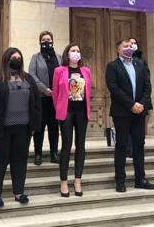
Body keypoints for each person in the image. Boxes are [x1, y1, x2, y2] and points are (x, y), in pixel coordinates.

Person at [0, 48, 42, 208]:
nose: (16, 60)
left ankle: (19, 192)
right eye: (13, 57)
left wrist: (34, 125)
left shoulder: (28, 78)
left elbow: (36, 103)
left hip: (23, 128)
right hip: (0, 129)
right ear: (6, 59)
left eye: (19, 57)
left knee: (20, 161)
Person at [105, 39, 154, 192]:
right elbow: (114, 88)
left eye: (130, 46)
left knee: (139, 145)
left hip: (140, 112)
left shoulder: (140, 64)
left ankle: (140, 178)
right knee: (121, 146)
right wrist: (131, 104)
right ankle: (120, 180)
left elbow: (148, 86)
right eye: (125, 46)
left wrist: (141, 104)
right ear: (118, 49)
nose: (128, 48)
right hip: (122, 112)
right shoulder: (112, 66)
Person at [52, 44, 92, 197]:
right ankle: (63, 181)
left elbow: (88, 91)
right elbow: (55, 93)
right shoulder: (59, 70)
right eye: (73, 51)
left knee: (80, 145)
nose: (76, 53)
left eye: (78, 51)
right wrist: (60, 109)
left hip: (82, 112)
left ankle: (77, 179)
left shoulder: (86, 71)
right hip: (66, 112)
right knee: (67, 145)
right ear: (67, 54)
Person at [29, 31, 62, 166]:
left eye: (48, 39)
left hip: (56, 99)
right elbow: (32, 75)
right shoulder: (35, 57)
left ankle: (54, 153)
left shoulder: (59, 58)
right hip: (41, 99)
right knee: (39, 127)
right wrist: (45, 89)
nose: (46, 41)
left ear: (53, 41)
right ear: (40, 42)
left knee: (54, 127)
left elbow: (64, 76)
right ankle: (38, 154)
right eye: (43, 39)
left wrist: (57, 91)